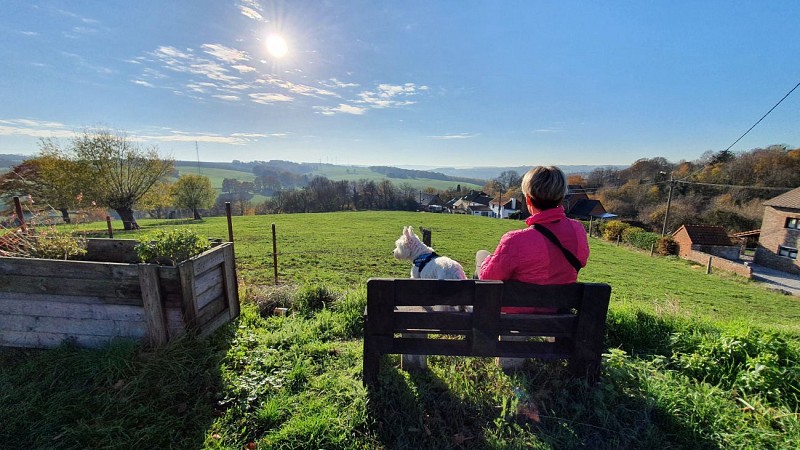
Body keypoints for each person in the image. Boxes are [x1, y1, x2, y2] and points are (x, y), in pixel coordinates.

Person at [476, 165, 589, 367]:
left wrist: (488, 259)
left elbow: (488, 277)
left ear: (528, 200)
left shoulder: (515, 240)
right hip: (556, 311)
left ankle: (510, 362)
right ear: (561, 197)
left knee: (481, 257)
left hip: (517, 315)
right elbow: (581, 261)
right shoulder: (578, 230)